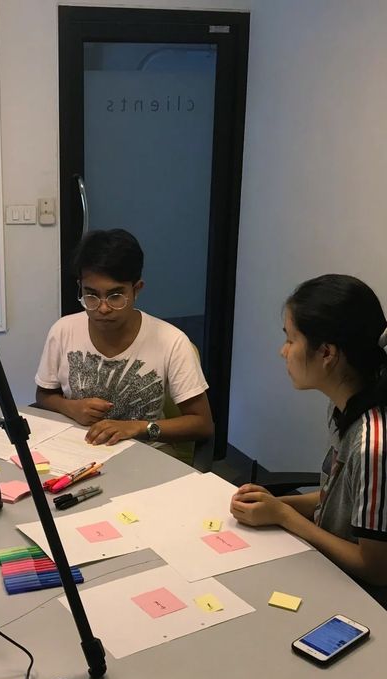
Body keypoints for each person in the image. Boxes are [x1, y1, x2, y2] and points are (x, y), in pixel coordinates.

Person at [230, 274, 387, 604]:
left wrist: (284, 517)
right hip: (327, 568)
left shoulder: (373, 442)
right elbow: (341, 497)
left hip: (360, 596)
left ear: (327, 352)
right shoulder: (343, 406)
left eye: (290, 339)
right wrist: (275, 506)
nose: (282, 351)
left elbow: (375, 568)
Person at [35, 228, 213, 446]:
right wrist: (70, 407)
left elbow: (202, 424)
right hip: (79, 450)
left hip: (146, 457)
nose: (102, 308)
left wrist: (138, 427)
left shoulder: (172, 342)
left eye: (115, 296)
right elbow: (43, 395)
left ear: (136, 290)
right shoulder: (63, 330)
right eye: (91, 295)